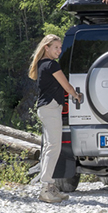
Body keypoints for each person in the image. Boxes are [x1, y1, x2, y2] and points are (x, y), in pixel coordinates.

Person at [28, 34, 82, 203]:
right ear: (47, 48)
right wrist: (76, 95)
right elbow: (66, 85)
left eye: (60, 47)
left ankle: (49, 186)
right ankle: (45, 188)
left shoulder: (42, 64)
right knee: (53, 148)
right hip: (50, 108)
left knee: (49, 148)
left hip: (47, 108)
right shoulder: (51, 65)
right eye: (56, 47)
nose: (59, 50)